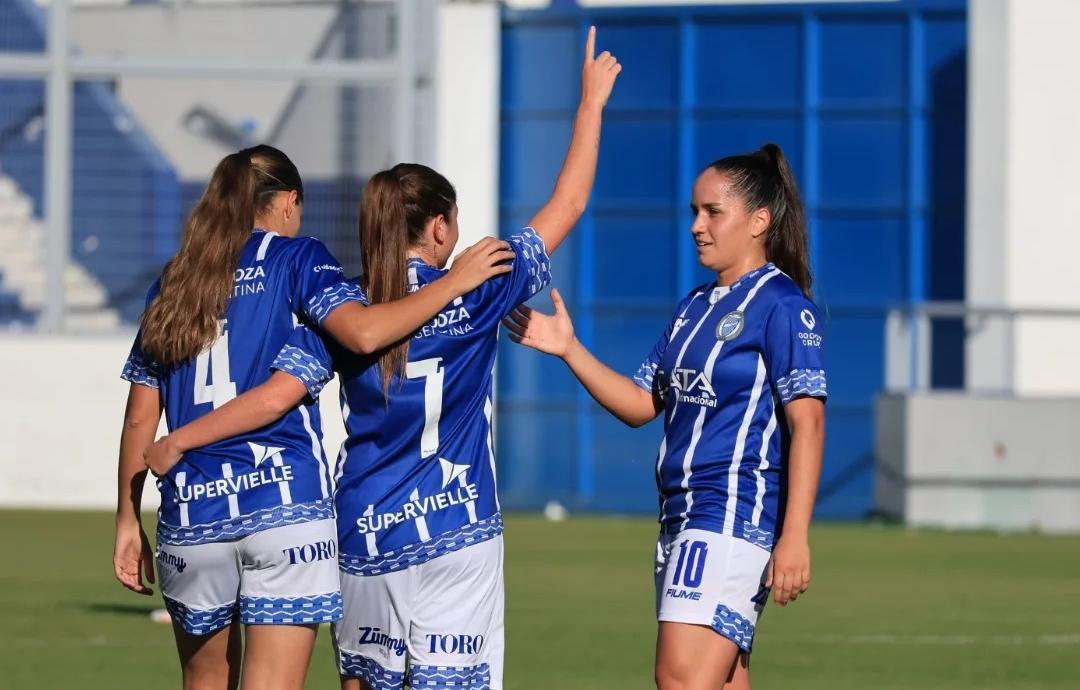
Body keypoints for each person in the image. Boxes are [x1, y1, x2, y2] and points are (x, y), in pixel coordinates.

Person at [144, 27, 620, 690]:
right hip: (458, 529)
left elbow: (276, 395)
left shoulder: (346, 309)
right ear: (442, 226)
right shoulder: (483, 283)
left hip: (365, 534)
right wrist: (591, 103)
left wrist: (181, 439)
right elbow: (568, 203)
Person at [113, 144, 515, 690]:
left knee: (203, 680)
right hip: (284, 506)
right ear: (288, 202)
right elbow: (359, 336)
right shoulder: (299, 258)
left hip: (192, 510)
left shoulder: (174, 281)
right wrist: (453, 283)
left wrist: (127, 518)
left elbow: (139, 420)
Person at [503, 144, 827, 690]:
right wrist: (569, 349)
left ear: (759, 221)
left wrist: (794, 535)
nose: (697, 226)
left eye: (713, 212)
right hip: (680, 517)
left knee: (679, 679)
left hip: (729, 514)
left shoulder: (783, 305)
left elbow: (808, 425)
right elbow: (639, 404)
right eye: (694, 212)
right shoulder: (693, 308)